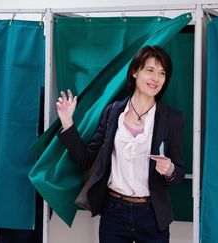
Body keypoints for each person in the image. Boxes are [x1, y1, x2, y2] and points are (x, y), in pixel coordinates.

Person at [56, 45, 185, 243]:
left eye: (162, 73)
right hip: (114, 212)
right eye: (150, 70)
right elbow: (86, 159)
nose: (156, 79)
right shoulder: (113, 112)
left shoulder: (172, 119)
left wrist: (169, 169)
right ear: (135, 72)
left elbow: (178, 174)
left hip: (153, 215)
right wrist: (67, 123)